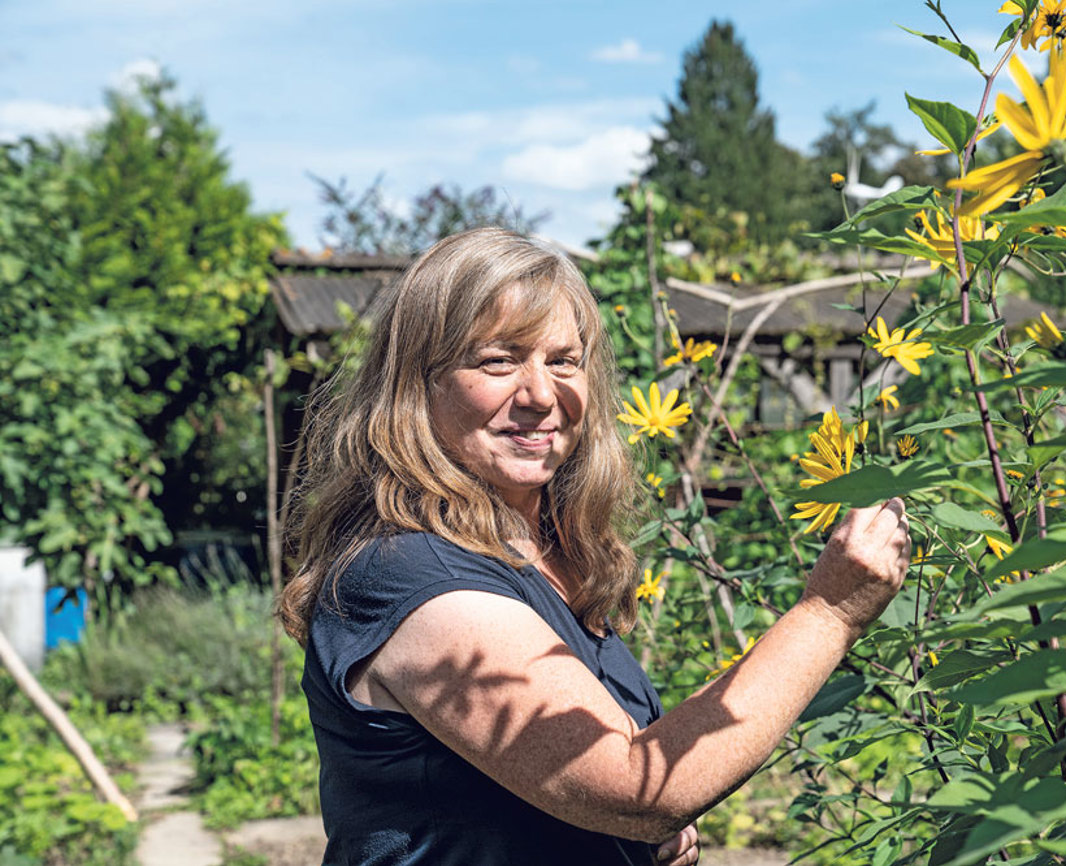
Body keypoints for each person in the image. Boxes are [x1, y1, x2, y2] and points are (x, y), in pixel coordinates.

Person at [278, 227, 910, 866]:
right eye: (498, 359)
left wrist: (619, 838)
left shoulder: (534, 550)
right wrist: (830, 613)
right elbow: (641, 786)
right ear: (419, 384)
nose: (540, 395)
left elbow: (583, 793)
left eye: (563, 360)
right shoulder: (413, 575)